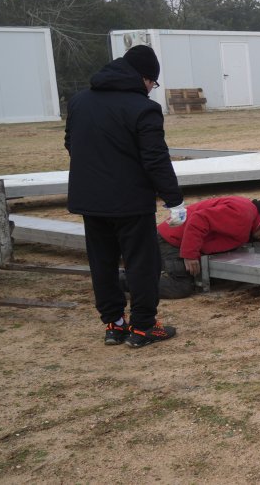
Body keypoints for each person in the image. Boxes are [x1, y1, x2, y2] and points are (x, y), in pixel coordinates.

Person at [66, 45, 185, 348]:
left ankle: (114, 324)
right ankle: (143, 326)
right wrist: (174, 199)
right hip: (130, 201)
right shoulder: (143, 108)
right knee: (142, 263)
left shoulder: (79, 101)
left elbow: (71, 143)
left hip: (90, 200)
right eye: (153, 83)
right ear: (144, 78)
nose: (151, 88)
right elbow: (155, 158)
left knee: (102, 263)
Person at [149, 197, 260, 298]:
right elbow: (199, 219)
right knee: (180, 286)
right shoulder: (243, 215)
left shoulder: (250, 218)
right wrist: (189, 254)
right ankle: (136, 284)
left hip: (177, 239)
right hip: (171, 241)